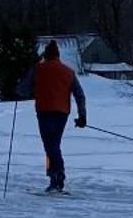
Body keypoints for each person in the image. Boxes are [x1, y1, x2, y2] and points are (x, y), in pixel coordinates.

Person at [16, 42, 87, 193]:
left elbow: (24, 90)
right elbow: (79, 95)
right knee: (54, 143)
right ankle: (55, 176)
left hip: (44, 111)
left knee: (50, 145)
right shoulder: (68, 72)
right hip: (62, 112)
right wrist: (82, 116)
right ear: (58, 55)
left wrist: (19, 88)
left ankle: (57, 176)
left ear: (45, 55)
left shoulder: (38, 69)